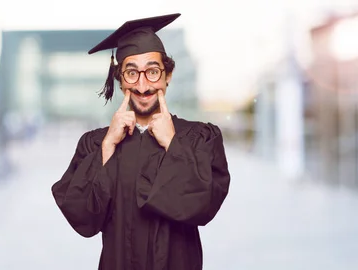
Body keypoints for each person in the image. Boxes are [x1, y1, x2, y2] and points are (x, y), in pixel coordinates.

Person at [51, 13, 231, 270]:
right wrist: (108, 146)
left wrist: (172, 143)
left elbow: (204, 206)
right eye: (132, 73)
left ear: (168, 75)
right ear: (120, 79)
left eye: (153, 72)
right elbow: (82, 217)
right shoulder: (96, 143)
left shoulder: (198, 139)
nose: (143, 85)